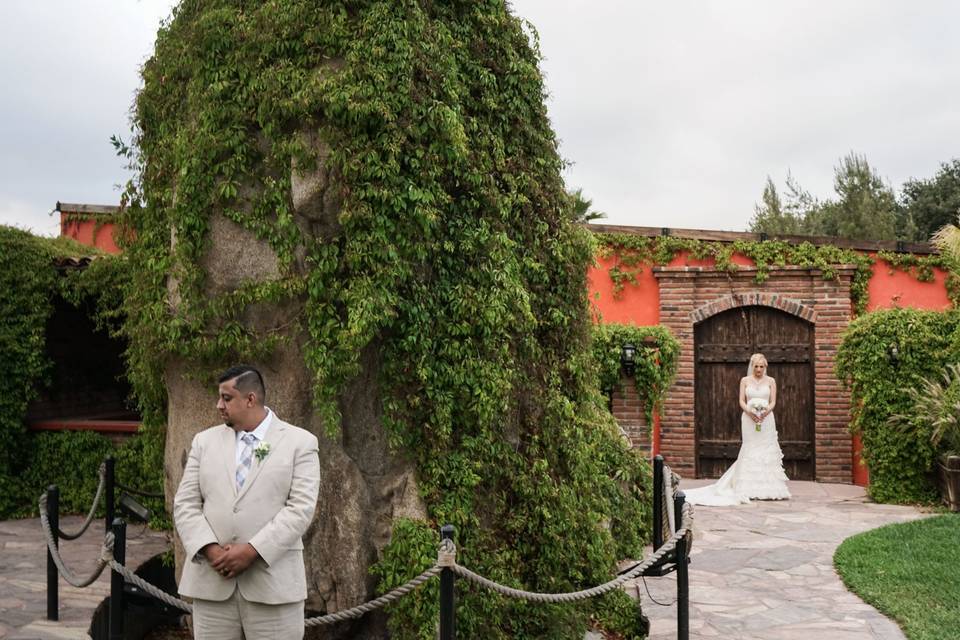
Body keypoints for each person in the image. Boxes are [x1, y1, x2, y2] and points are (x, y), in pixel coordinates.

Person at [174, 365, 320, 639]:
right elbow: (185, 504)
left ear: (250, 399)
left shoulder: (300, 443)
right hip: (212, 585)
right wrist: (210, 550)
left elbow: (300, 509)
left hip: (272, 587)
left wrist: (251, 551)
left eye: (226, 398)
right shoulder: (204, 442)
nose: (219, 405)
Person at [684, 353, 790, 506]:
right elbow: (741, 400)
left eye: (761, 366)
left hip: (766, 419)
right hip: (748, 418)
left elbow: (773, 401)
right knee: (750, 447)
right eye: (756, 366)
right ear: (752, 366)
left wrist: (765, 412)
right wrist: (750, 411)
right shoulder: (745, 381)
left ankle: (769, 489)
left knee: (766, 449)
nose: (759, 369)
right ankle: (747, 487)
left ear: (765, 367)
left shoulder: (771, 381)